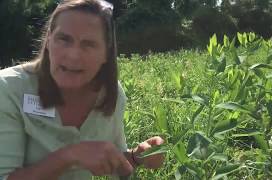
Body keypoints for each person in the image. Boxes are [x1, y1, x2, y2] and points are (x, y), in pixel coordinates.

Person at [0, 0, 165, 179]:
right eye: (64, 39)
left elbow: (113, 162)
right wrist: (70, 156)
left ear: (106, 53)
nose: (73, 55)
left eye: (88, 44)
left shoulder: (111, 94)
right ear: (48, 40)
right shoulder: (9, 88)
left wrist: (136, 156)